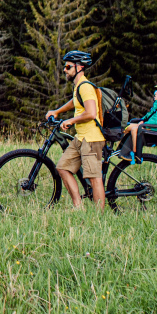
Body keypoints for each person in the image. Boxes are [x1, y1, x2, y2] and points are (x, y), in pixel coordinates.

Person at [44, 50, 105, 210]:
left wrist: (71, 120)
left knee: (94, 178)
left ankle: (99, 219)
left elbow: (91, 113)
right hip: (81, 138)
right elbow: (75, 101)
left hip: (92, 139)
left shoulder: (85, 87)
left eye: (68, 67)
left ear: (79, 67)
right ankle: (78, 207)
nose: (65, 70)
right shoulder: (79, 87)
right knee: (63, 168)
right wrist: (57, 111)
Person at [119, 82, 157, 163]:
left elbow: (156, 122)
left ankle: (134, 152)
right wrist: (142, 120)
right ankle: (122, 146)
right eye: (156, 92)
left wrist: (144, 125)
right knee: (127, 126)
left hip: (151, 129)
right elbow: (149, 116)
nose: (155, 94)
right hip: (147, 126)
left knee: (133, 129)